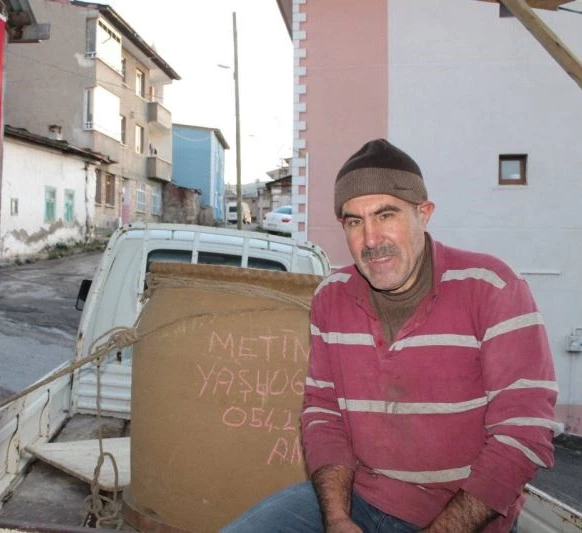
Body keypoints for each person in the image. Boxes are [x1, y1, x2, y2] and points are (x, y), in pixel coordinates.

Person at [221, 139, 559, 533]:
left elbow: (524, 432)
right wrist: (337, 518)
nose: (370, 239)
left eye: (386, 215)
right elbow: (324, 412)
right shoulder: (331, 296)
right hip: (361, 500)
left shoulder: (492, 288)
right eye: (354, 222)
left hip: (465, 517)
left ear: (423, 214)